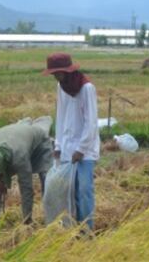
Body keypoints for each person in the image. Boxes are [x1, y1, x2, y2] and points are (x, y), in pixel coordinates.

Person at [43, 53, 100, 229]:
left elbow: (91, 122)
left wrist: (81, 149)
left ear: (67, 71)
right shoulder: (61, 87)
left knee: (84, 190)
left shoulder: (86, 88)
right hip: (67, 147)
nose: (55, 77)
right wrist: (58, 145)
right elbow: (60, 116)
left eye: (57, 73)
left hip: (85, 150)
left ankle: (87, 230)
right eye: (53, 74)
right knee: (68, 191)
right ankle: (71, 226)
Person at [0, 116, 53, 223]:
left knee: (46, 178)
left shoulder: (19, 157)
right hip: (17, 138)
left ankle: (51, 217)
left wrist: (27, 220)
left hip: (39, 143)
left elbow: (27, 189)